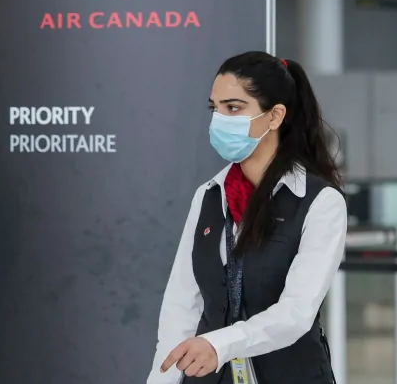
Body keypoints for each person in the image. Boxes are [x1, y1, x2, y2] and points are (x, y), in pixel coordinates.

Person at [147, 51, 347, 384]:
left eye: (234, 108)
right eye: (215, 108)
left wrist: (218, 343)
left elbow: (295, 314)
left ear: (274, 116)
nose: (220, 119)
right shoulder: (210, 195)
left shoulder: (320, 202)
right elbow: (182, 305)